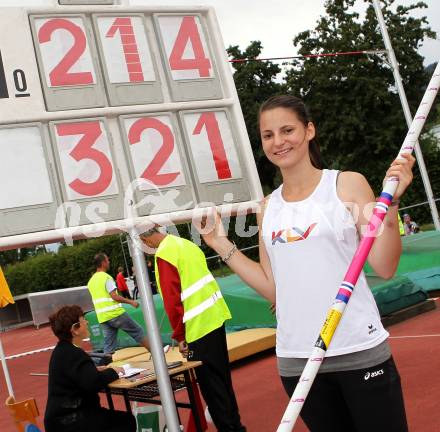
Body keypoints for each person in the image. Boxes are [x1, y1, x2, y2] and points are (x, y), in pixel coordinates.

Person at [199, 95, 415, 432]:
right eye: (268, 135)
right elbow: (273, 288)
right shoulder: (268, 207)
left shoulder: (346, 184)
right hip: (297, 359)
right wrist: (220, 243)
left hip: (357, 349)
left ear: (309, 130)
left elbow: (385, 265)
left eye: (288, 130)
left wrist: (392, 204)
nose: (278, 141)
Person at [139, 228, 246, 432]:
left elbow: (172, 301)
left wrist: (179, 335)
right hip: (214, 316)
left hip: (197, 326)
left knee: (211, 387)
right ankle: (236, 426)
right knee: (223, 379)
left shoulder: (164, 254)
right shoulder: (185, 244)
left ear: (146, 239)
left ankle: (230, 429)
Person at [44, 305, 136, 432]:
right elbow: (93, 383)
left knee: (117, 419)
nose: (87, 322)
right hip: (72, 421)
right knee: (126, 420)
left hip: (61, 420)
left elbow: (80, 375)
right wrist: (113, 371)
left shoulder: (62, 350)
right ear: (75, 329)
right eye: (83, 320)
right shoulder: (74, 353)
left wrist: (94, 371)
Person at [87, 253, 150, 354]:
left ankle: (106, 366)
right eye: (107, 260)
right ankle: (157, 353)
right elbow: (114, 296)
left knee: (109, 344)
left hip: (103, 317)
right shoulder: (106, 278)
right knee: (138, 332)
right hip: (115, 314)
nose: (109, 262)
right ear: (103, 263)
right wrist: (131, 302)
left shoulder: (91, 281)